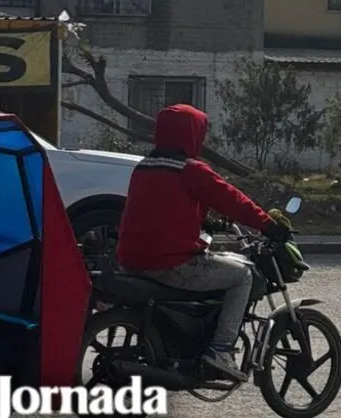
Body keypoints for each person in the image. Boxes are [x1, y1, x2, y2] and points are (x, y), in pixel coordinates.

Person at [116, 104, 291, 382]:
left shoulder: (144, 167)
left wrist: (205, 221)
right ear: (189, 134)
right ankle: (221, 350)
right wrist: (268, 225)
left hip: (131, 261)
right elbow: (232, 200)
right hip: (170, 263)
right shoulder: (190, 170)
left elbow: (161, 208)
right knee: (242, 276)